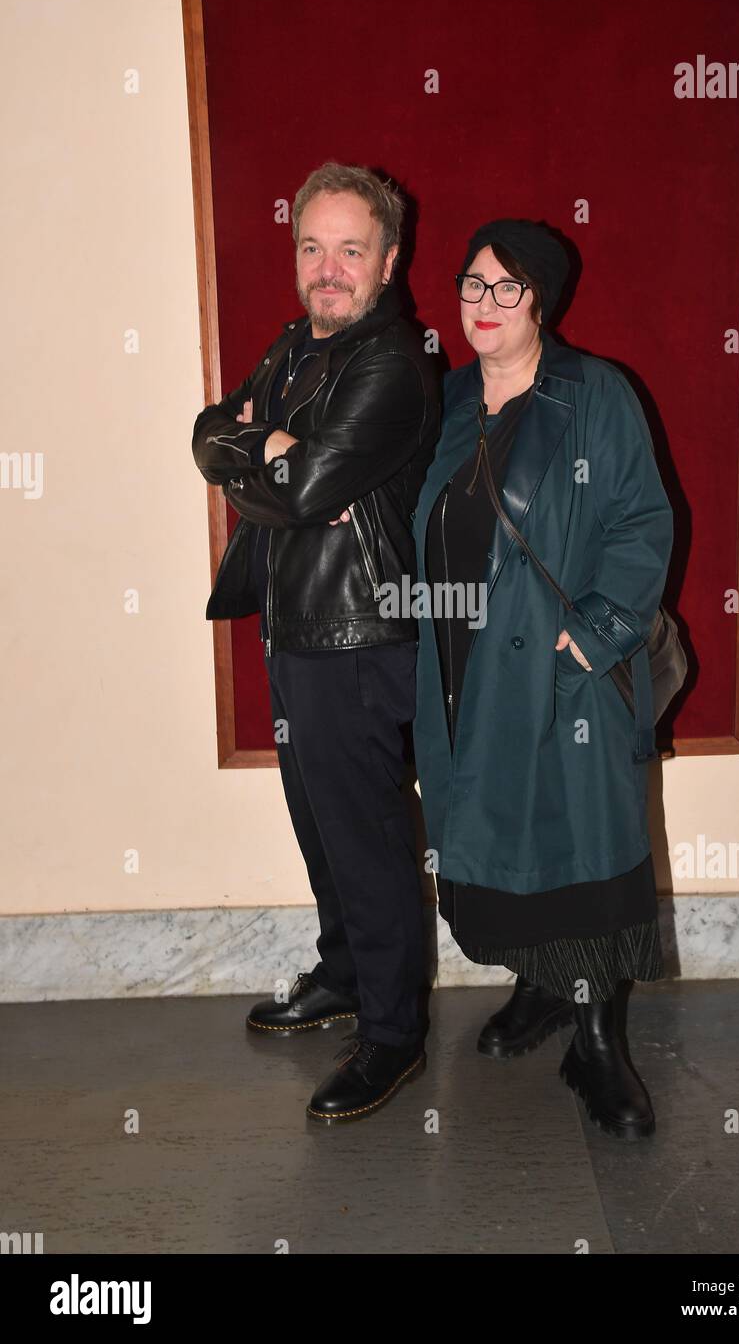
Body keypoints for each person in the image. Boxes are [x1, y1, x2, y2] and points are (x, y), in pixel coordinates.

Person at [411, 219, 674, 1140]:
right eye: (471, 285)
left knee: (582, 857)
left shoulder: (592, 394)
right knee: (502, 842)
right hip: (465, 672)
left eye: (506, 289)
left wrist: (591, 637)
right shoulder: (444, 402)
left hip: (565, 682)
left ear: (542, 302)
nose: (483, 305)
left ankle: (597, 1043)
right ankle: (541, 988)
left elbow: (643, 522)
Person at [191, 163, 440, 1124]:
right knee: (317, 826)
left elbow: (294, 492)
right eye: (312, 247)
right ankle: (344, 975)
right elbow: (213, 434)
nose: (328, 269)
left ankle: (392, 1037)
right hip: (295, 625)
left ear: (387, 260)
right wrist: (267, 449)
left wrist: (272, 461)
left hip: (359, 637)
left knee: (369, 839)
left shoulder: (390, 364)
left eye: (350, 249)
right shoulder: (295, 346)